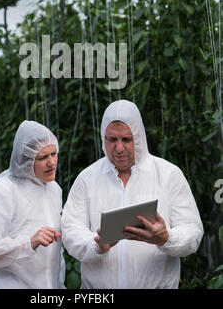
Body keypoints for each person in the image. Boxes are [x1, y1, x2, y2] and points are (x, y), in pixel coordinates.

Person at [61, 99, 204, 289]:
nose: (119, 148)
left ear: (139, 137)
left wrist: (166, 238)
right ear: (103, 138)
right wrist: (96, 245)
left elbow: (193, 233)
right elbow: (70, 231)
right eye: (112, 139)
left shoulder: (168, 175)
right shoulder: (87, 178)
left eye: (126, 139)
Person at [0, 120, 66, 289]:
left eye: (54, 153)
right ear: (25, 160)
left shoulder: (54, 190)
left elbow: (55, 254)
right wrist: (28, 243)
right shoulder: (2, 191)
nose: (51, 162)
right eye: (43, 157)